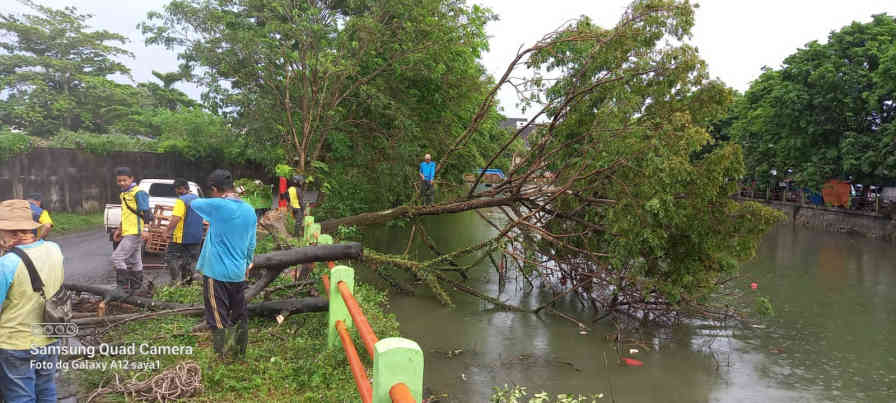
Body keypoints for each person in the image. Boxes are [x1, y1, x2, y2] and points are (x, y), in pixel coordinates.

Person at [0, 199, 64, 402]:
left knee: (21, 397)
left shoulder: (7, 263)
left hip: (16, 343)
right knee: (46, 389)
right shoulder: (55, 249)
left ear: (11, 233)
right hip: (50, 337)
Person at [191, 169, 257, 360]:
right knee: (238, 313)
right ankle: (239, 353)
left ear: (214, 189)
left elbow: (194, 202)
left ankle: (223, 356)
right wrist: (246, 264)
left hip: (216, 273)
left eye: (211, 191)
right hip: (238, 272)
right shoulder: (249, 210)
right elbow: (251, 243)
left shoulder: (219, 206)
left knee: (217, 316)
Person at [110, 167, 152, 291]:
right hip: (128, 231)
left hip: (135, 232)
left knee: (117, 258)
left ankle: (122, 287)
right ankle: (136, 288)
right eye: (119, 181)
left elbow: (147, 212)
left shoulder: (138, 192)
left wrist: (146, 229)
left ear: (131, 179)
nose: (122, 183)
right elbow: (127, 213)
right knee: (135, 260)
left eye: (124, 180)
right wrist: (119, 229)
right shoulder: (124, 193)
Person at [164, 179, 203, 286]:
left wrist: (167, 231)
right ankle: (187, 285)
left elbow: (176, 218)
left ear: (181, 188)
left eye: (176, 189)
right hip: (196, 236)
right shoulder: (198, 199)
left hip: (182, 236)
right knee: (189, 260)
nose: (176, 192)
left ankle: (175, 281)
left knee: (170, 256)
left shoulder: (182, 200)